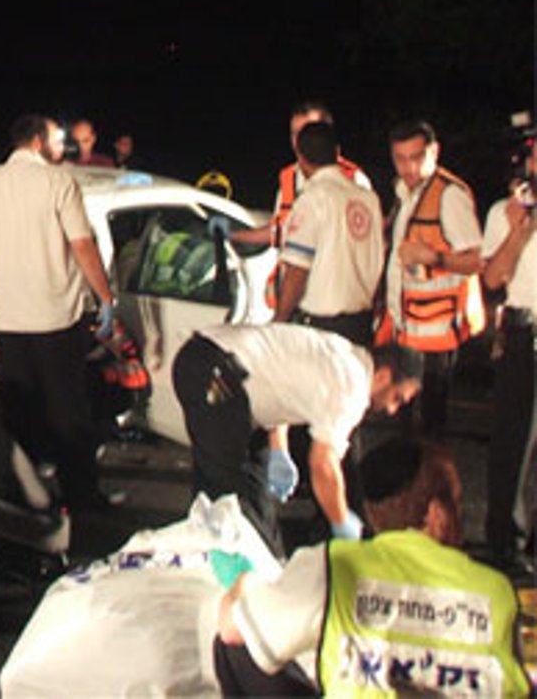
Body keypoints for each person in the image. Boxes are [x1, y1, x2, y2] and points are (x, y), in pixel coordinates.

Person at [215, 437, 530, 697]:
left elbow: (231, 631)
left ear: (373, 514)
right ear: (436, 514)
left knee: (242, 645)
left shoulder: (335, 565)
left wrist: (245, 584)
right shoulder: (497, 591)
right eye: (457, 504)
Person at [0, 114, 117, 510]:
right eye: (59, 140)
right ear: (38, 142)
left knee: (20, 415)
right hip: (57, 320)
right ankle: (81, 498)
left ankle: (22, 500)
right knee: (69, 414)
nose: (64, 148)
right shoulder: (59, 182)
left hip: (10, 322)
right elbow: (82, 246)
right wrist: (106, 299)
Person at [172, 323, 422, 553]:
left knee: (253, 495)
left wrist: (279, 450)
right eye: (396, 398)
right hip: (212, 373)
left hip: (217, 368)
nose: (392, 410)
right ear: (383, 377)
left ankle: (257, 567)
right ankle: (230, 576)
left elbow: (283, 386)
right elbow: (323, 464)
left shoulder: (345, 354)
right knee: (230, 499)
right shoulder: (352, 387)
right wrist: (341, 519)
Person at [380, 119, 485, 437]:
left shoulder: (449, 196)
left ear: (434, 152)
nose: (409, 166)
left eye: (417, 157)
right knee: (407, 426)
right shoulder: (404, 193)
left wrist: (433, 258)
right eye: (401, 158)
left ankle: (433, 486)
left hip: (437, 336)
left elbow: (478, 261)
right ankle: (415, 485)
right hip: (409, 329)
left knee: (428, 429)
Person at [274, 120, 384, 346]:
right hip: (362, 324)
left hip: (321, 329)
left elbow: (297, 270)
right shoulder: (369, 199)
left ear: (300, 158)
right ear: (337, 152)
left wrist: (280, 319)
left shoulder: (313, 199)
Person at [481, 134, 536, 577]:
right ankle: (506, 543)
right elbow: (494, 277)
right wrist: (520, 231)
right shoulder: (505, 213)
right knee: (514, 442)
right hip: (524, 330)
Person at [230, 101, 371, 259]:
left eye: (306, 132)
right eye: (294, 133)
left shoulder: (355, 181)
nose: (299, 141)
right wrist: (231, 235)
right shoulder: (289, 179)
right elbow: (280, 231)